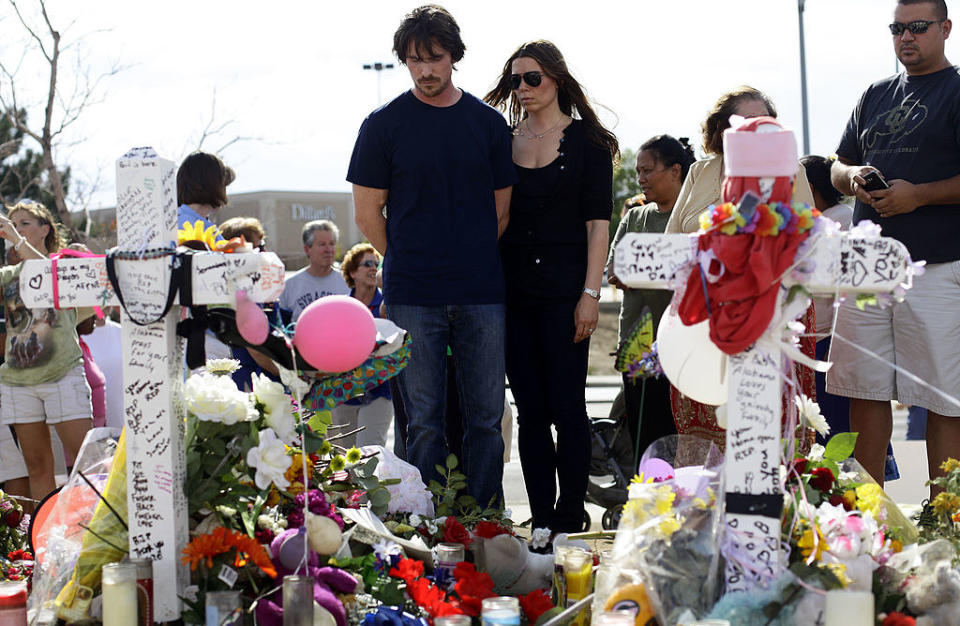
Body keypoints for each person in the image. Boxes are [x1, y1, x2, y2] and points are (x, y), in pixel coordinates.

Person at [348, 5, 516, 508]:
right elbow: (366, 214)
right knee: (421, 419)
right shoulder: (383, 125)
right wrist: (412, 260)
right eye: (414, 60)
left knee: (486, 417)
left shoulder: (487, 123)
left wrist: (465, 257)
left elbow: (500, 213)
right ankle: (422, 523)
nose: (425, 69)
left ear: (454, 57)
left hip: (482, 292)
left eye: (435, 58)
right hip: (413, 294)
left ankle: (488, 521)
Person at [827, 0, 960, 491]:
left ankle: (946, 521)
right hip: (865, 267)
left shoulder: (956, 88)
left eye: (918, 27)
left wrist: (918, 196)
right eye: (897, 28)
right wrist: (853, 175)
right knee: (864, 391)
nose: (907, 37)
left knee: (942, 399)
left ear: (945, 28)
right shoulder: (875, 93)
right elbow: (837, 164)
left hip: (937, 267)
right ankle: (868, 522)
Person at [483, 40, 615, 531]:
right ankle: (541, 518)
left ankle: (571, 513)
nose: (523, 87)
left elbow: (597, 225)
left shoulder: (589, 143)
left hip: (566, 295)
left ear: (557, 78)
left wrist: (590, 294)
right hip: (512, 294)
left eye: (532, 77)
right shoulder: (501, 140)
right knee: (531, 412)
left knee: (567, 407)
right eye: (515, 79)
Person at [663, 87, 817, 448]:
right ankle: (705, 503)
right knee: (706, 435)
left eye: (765, 123)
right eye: (745, 122)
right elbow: (671, 244)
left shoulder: (790, 170)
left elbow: (809, 243)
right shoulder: (700, 172)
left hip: (773, 320)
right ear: (720, 131)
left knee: (769, 432)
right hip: (700, 320)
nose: (756, 130)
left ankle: (779, 500)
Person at [607, 135, 695, 462]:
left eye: (648, 170)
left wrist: (643, 267)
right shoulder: (635, 218)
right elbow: (615, 268)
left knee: (683, 438)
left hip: (685, 346)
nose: (641, 179)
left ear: (675, 171)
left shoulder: (695, 221)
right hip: (638, 346)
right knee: (645, 441)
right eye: (638, 172)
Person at [0, 202, 92, 505]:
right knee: (38, 467)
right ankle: (43, 541)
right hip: (18, 381)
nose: (16, 229)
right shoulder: (9, 275)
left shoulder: (63, 264)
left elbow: (49, 276)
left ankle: (96, 534)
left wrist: (17, 239)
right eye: (12, 225)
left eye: (25, 223)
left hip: (62, 373)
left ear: (46, 229)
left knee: (84, 464)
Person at [330, 244, 393, 448]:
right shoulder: (340, 307)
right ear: (352, 272)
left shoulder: (387, 306)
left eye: (376, 264)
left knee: (369, 451)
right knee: (348, 457)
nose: (373, 268)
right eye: (367, 264)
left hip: (379, 391)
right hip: (345, 393)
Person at [279, 220, 349, 321]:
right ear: (307, 249)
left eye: (331, 244)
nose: (328, 249)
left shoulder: (347, 283)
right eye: (322, 244)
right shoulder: (289, 287)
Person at [176, 151, 235, 234]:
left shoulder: (205, 225)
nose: (225, 193)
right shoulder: (181, 225)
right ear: (210, 184)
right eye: (223, 185)